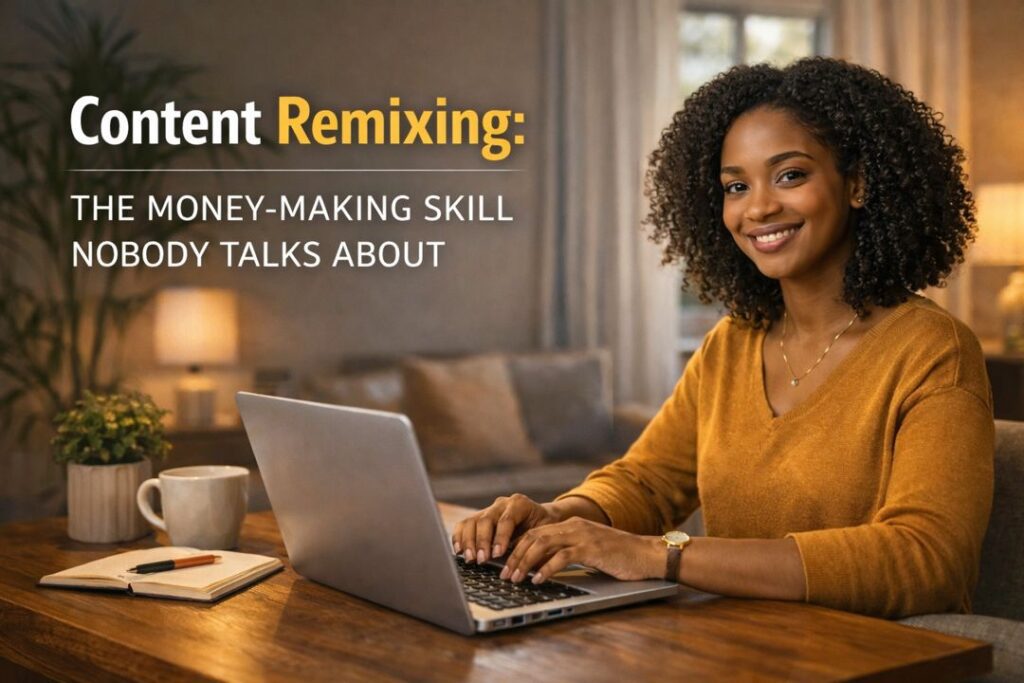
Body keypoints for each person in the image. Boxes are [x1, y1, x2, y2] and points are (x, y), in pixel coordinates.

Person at [452, 57, 994, 619]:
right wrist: (559, 518)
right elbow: (648, 481)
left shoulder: (933, 350)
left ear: (857, 183)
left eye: (790, 175)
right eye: (737, 186)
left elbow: (927, 560)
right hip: (736, 642)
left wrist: (659, 555)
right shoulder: (733, 342)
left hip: (874, 652)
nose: (758, 208)